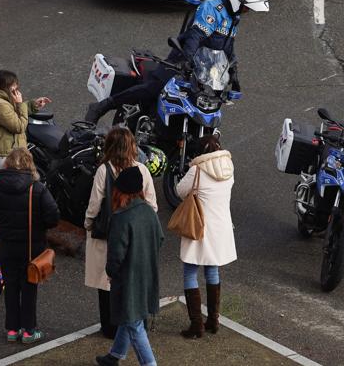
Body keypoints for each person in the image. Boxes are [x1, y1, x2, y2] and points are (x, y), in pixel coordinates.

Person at [85, 0, 269, 124]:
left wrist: (233, 72)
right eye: (246, 7)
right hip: (182, 59)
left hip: (205, 68)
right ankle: (101, 107)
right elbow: (195, 37)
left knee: (205, 105)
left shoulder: (233, 18)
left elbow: (227, 46)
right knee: (154, 89)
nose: (246, 11)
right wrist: (187, 61)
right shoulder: (211, 9)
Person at [0, 148, 60, 344]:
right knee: (29, 287)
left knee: (12, 286)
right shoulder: (37, 188)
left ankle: (12, 329)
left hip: (7, 245)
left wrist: (1, 222)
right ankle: (28, 330)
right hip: (32, 246)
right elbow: (53, 217)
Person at [84, 128, 157, 339]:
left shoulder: (104, 170)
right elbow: (152, 204)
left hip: (108, 233)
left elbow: (94, 204)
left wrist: (88, 224)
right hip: (136, 235)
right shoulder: (142, 170)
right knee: (134, 280)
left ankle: (110, 327)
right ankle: (136, 321)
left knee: (106, 280)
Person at [96, 166, 163, 366]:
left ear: (120, 191)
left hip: (128, 279)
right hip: (147, 275)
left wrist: (110, 272)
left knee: (134, 323)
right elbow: (159, 239)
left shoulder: (121, 218)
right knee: (131, 316)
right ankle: (115, 355)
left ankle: (149, 363)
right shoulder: (149, 212)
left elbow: (116, 255)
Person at [0, 70, 51, 246]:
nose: (17, 89)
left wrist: (32, 105)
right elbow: (18, 126)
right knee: (16, 192)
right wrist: (21, 105)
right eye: (14, 87)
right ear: (7, 87)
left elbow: (12, 112)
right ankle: (4, 232)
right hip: (3, 155)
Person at [175, 135, 236, 337]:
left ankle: (196, 325)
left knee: (190, 273)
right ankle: (213, 321)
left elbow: (180, 190)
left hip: (199, 227)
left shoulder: (197, 170)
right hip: (221, 228)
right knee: (212, 272)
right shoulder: (229, 168)